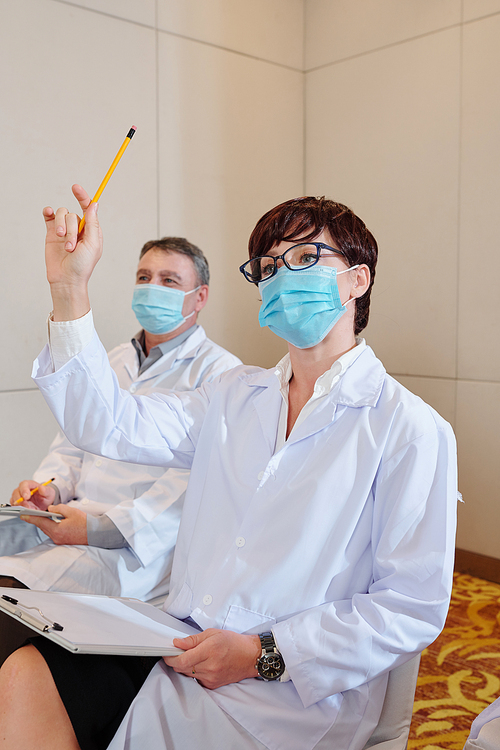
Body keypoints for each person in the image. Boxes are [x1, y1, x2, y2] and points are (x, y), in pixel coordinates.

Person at [0, 188, 458, 750]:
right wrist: (69, 287)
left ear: (358, 281)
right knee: (24, 672)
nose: (283, 275)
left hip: (291, 692)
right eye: (270, 264)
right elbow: (106, 423)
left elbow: (410, 607)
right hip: (179, 648)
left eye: (306, 258)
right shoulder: (234, 395)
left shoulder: (408, 427)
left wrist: (266, 654)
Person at [0, 223, 241, 662]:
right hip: (68, 518)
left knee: (14, 589)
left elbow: (189, 487)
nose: (153, 288)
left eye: (170, 281)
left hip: (133, 549)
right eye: (144, 277)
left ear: (200, 297)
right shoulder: (115, 357)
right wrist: (48, 487)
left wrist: (98, 530)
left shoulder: (221, 374)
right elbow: (74, 441)